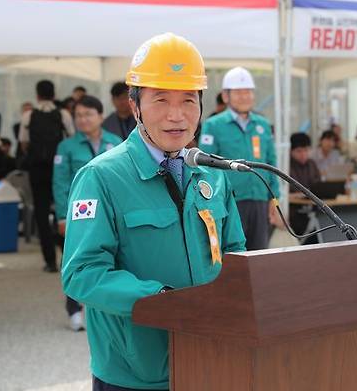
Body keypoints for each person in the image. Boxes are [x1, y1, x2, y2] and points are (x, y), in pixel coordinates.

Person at [61, 32, 246, 391]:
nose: (177, 116)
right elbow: (82, 274)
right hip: (134, 372)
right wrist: (160, 301)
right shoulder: (100, 177)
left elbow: (236, 255)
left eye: (189, 100)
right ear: (135, 106)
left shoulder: (212, 175)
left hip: (211, 357)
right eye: (160, 99)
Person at [53, 95, 122, 332]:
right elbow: (60, 184)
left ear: (101, 116)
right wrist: (63, 215)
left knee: (111, 259)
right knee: (76, 261)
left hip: (111, 213)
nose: (83, 119)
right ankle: (74, 309)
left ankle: (105, 309)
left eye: (88, 114)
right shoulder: (66, 147)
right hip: (80, 215)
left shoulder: (116, 142)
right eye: (78, 115)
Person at [199, 66, 279, 250]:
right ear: (226, 96)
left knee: (260, 254)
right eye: (239, 92)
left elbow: (271, 162)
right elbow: (206, 167)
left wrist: (274, 198)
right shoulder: (213, 125)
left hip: (260, 199)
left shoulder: (263, 124)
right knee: (233, 254)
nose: (245, 96)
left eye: (248, 92)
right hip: (229, 202)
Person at [19, 79, 75, 272]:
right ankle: (66, 255)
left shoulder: (28, 115)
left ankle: (49, 260)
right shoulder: (63, 114)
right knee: (64, 210)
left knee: (41, 214)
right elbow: (71, 137)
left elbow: (23, 142)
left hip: (38, 170)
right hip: (59, 167)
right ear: (54, 94)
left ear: (37, 94)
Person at [289, 132, 321, 245]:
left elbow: (319, 186)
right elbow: (282, 193)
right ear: (291, 151)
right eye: (299, 151)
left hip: (312, 209)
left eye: (306, 150)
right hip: (293, 213)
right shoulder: (286, 166)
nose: (303, 154)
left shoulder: (312, 164)